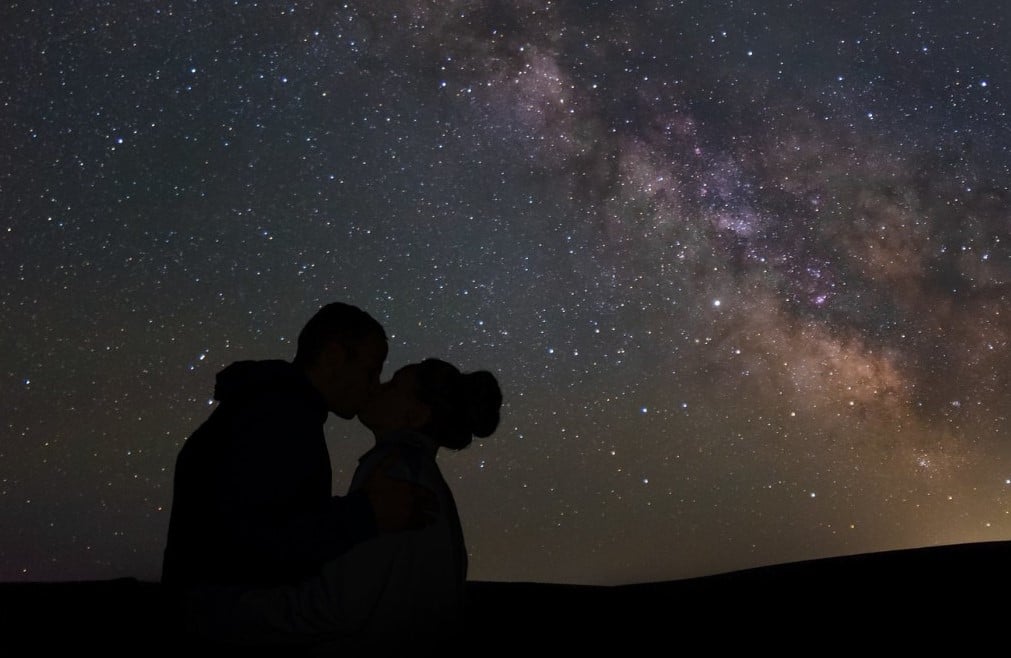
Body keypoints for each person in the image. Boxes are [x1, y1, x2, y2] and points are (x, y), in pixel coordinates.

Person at [183, 359, 502, 656]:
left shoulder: (394, 473)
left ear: (415, 415)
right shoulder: (419, 476)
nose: (377, 386)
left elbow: (334, 606)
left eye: (392, 385)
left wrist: (220, 609)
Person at [162, 302, 433, 594]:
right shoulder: (278, 417)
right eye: (370, 372)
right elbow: (258, 543)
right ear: (333, 358)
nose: (374, 387)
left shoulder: (269, 409)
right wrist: (366, 514)